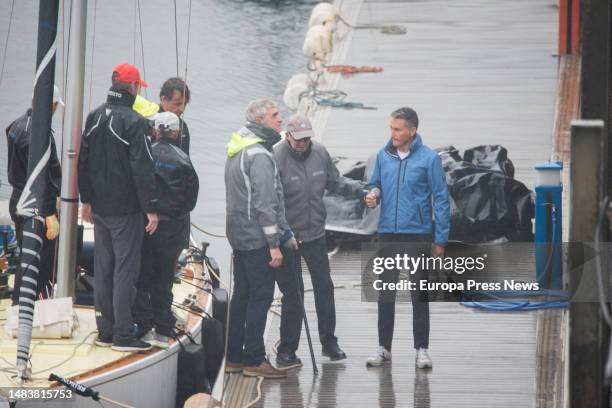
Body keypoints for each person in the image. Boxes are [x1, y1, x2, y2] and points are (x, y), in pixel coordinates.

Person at [273, 115, 364, 367]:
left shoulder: (320, 153)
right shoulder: (275, 157)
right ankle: (287, 349)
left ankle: (329, 342)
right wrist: (283, 233)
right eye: (298, 139)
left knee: (325, 286)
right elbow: (272, 202)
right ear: (288, 136)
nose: (303, 143)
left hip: (314, 235)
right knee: (294, 293)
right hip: (288, 237)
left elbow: (336, 182)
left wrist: (361, 190)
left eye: (307, 138)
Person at [78, 63, 158, 352]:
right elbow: (143, 168)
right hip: (125, 212)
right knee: (125, 271)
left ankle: (106, 330)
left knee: (104, 268)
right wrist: (150, 208)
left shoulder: (94, 116)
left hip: (99, 209)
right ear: (134, 88)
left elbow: (83, 161)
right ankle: (124, 335)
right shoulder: (136, 122)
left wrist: (86, 200)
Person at [364, 107, 449, 369]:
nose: (393, 134)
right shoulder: (382, 155)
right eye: (391, 128)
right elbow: (373, 183)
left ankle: (421, 349)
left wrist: (440, 239)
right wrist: (372, 195)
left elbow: (442, 199)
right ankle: (383, 348)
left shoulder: (429, 159)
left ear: (412, 131)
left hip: (417, 234)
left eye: (398, 129)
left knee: (418, 293)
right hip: (388, 233)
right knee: (385, 292)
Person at [224, 98, 296, 379]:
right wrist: (275, 244)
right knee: (261, 296)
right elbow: (266, 203)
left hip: (238, 234)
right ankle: (254, 359)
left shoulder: (236, 148)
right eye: (275, 115)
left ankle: (233, 356)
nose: (281, 119)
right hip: (256, 238)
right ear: (260, 121)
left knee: (241, 294)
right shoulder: (260, 156)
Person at [133, 112, 199, 348]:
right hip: (171, 226)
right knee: (164, 278)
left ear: (156, 130)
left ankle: (142, 325)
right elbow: (191, 199)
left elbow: (136, 185)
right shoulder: (182, 159)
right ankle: (162, 328)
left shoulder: (144, 152)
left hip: (145, 223)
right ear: (176, 132)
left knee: (142, 275)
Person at [6, 85, 63, 304]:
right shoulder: (38, 134)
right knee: (38, 260)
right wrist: (50, 213)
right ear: (52, 105)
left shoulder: (16, 124)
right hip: (36, 204)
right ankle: (30, 306)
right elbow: (43, 178)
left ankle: (19, 305)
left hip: (18, 199)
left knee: (26, 257)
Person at [159, 77, 191, 155]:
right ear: (163, 100)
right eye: (177, 104)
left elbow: (186, 159)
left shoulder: (183, 126)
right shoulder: (149, 122)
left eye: (185, 104)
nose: (182, 109)